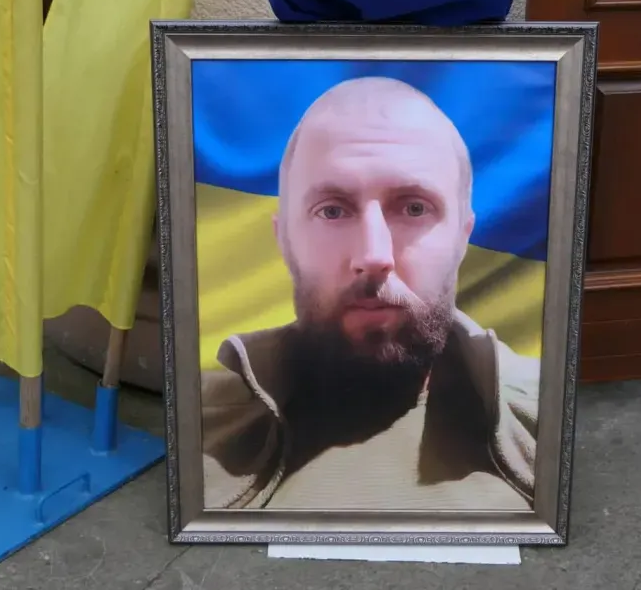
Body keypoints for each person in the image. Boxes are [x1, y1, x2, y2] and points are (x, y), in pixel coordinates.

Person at [201, 76, 540, 511]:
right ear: (283, 239)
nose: (374, 255)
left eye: (414, 208)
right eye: (332, 210)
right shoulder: (199, 424)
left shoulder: (544, 418)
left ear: (463, 237)